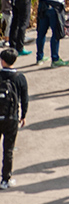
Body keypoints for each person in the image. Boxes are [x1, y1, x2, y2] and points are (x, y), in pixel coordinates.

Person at [0, 48, 28, 190]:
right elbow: (24, 98)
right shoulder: (19, 77)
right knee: (8, 149)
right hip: (11, 117)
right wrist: (23, 115)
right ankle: (5, 179)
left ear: (2, 61)